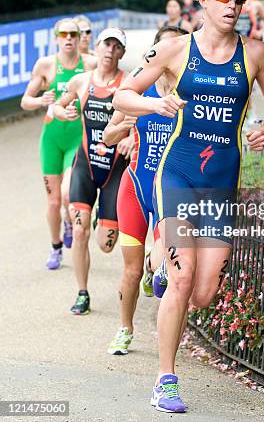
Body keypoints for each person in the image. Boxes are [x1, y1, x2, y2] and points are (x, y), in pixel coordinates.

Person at [113, 0, 264, 413]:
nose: (234, 5)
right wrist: (156, 102)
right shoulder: (174, 49)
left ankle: (167, 277)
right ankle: (165, 380)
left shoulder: (255, 54)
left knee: (204, 292)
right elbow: (122, 96)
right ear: (203, 1)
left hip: (220, 185)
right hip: (178, 176)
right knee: (183, 277)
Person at [104, 26, 189, 356]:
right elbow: (108, 137)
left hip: (170, 190)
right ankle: (125, 329)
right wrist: (127, 125)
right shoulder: (138, 92)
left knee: (165, 265)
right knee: (132, 268)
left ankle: (159, 270)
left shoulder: (190, 93)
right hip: (135, 187)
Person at [54, 28, 132, 315]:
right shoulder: (81, 81)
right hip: (86, 166)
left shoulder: (129, 84)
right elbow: (57, 107)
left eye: (116, 47)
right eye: (106, 45)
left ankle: (105, 217)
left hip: (114, 172)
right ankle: (82, 292)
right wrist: (64, 112)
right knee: (79, 229)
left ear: (122, 52)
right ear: (96, 48)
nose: (110, 51)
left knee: (107, 245)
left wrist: (129, 137)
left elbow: (141, 119)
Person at [20, 18, 96, 270]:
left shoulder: (89, 64)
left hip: (77, 138)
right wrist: (41, 100)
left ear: (78, 38)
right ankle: (55, 246)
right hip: (51, 139)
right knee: (53, 201)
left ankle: (70, 218)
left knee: (66, 194)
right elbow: (25, 101)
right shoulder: (46, 65)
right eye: (63, 34)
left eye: (73, 34)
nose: (69, 38)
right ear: (56, 38)